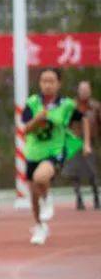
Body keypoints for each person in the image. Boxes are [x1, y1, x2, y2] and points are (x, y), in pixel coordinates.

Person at [21, 68, 82, 244]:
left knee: (41, 177)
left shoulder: (67, 105)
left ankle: (47, 199)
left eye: (51, 81)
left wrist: (83, 141)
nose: (47, 85)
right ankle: (40, 227)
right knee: (33, 197)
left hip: (54, 152)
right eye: (44, 81)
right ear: (40, 83)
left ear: (58, 84)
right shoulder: (32, 103)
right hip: (33, 152)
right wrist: (37, 119)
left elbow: (82, 118)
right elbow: (26, 129)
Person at [65, 80, 99, 210]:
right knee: (75, 172)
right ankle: (79, 199)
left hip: (90, 142)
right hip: (74, 142)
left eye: (86, 90)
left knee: (92, 172)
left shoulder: (95, 106)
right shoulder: (71, 106)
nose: (84, 92)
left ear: (90, 91)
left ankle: (96, 198)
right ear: (78, 91)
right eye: (82, 90)